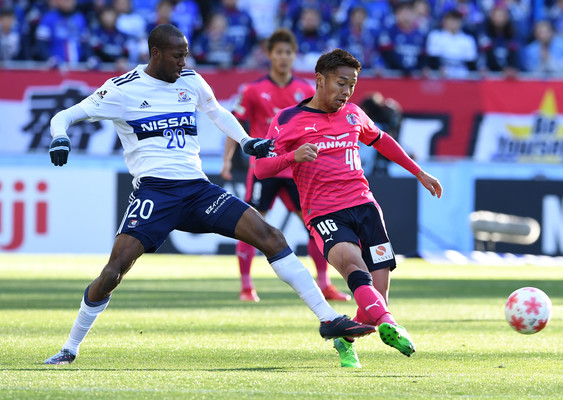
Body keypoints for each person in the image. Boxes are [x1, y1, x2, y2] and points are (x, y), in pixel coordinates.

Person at [43, 25, 375, 365]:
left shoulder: (191, 81)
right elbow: (65, 115)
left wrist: (247, 142)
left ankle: (328, 319)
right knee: (114, 272)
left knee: (269, 235)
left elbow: (218, 113)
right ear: (155, 54)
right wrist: (59, 137)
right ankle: (70, 347)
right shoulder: (122, 89)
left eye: (186, 54)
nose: (183, 61)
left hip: (199, 190)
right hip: (156, 193)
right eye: (177, 56)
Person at [255, 49, 443, 368]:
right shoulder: (288, 120)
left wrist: (419, 172)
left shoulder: (355, 114)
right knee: (356, 271)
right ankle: (392, 324)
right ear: (320, 80)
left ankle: (346, 339)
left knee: (374, 302)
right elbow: (261, 169)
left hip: (366, 208)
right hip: (325, 215)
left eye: (352, 85)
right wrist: (292, 157)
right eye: (341, 83)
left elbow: (381, 140)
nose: (346, 92)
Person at [221, 28, 350, 303]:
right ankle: (246, 286)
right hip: (265, 169)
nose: (283, 57)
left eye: (288, 52)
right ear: (269, 55)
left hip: (298, 171)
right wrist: (226, 161)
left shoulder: (305, 90)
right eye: (278, 51)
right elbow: (235, 125)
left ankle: (325, 283)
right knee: (250, 225)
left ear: (294, 56)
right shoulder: (253, 90)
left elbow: (323, 127)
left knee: (317, 226)